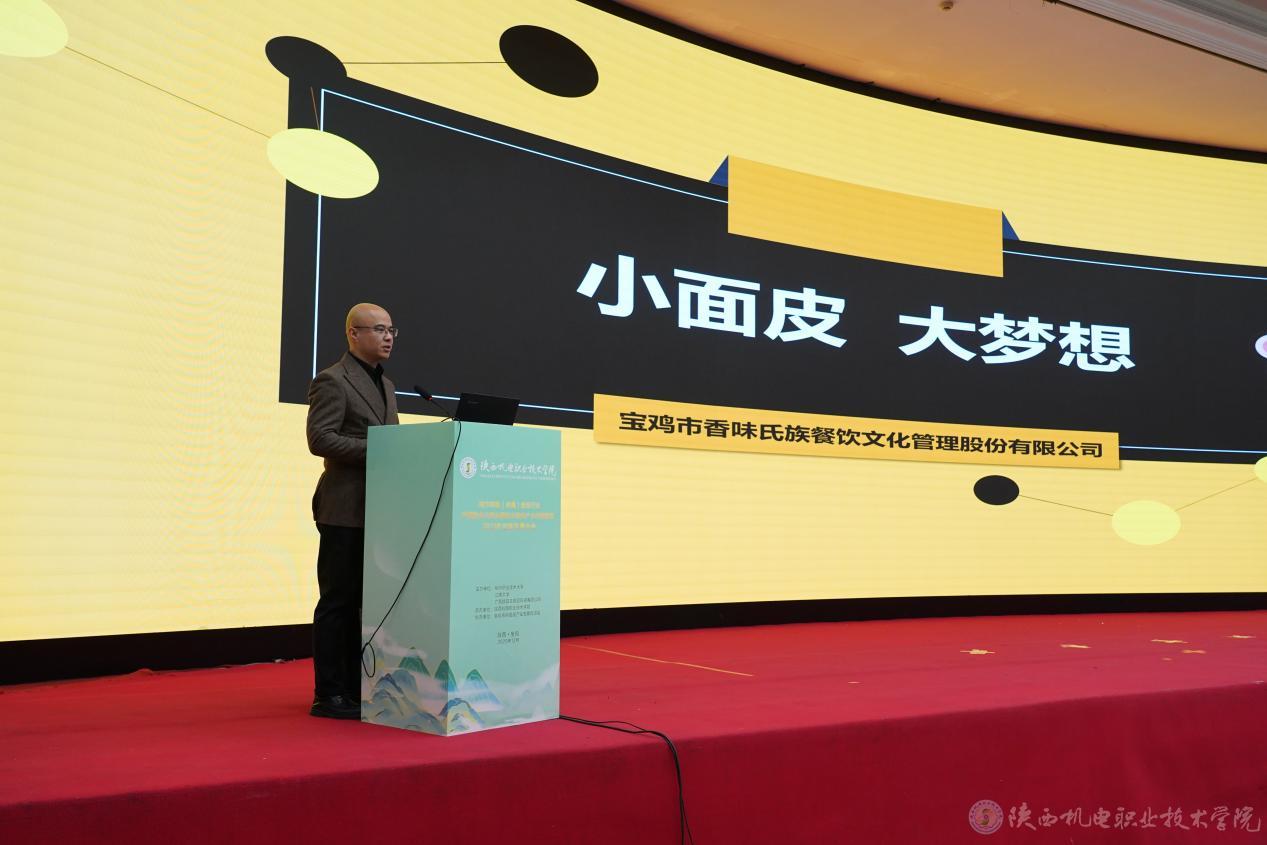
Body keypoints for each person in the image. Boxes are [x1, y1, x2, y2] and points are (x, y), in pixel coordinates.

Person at [305, 303, 400, 719]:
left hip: (379, 510)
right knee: (337, 602)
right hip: (343, 508)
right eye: (378, 329)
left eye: (391, 330)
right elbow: (320, 438)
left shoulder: (387, 385)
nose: (388, 336)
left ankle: (356, 687)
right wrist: (381, 450)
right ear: (353, 334)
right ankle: (328, 694)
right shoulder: (332, 380)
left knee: (365, 605)